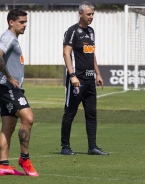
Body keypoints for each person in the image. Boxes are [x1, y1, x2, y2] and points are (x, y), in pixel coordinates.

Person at [0, 9, 39, 176]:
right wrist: (9, 77)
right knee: (29, 118)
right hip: (9, 88)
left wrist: (2, 75)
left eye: (26, 22)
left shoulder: (11, 38)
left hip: (4, 87)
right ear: (11, 22)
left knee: (8, 126)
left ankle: (4, 165)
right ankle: (24, 158)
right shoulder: (9, 37)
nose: (25, 25)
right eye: (21, 22)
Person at [61, 1, 109, 155]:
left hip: (89, 81)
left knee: (91, 113)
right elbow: (66, 53)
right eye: (89, 14)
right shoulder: (72, 31)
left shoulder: (91, 32)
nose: (91, 17)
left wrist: (98, 73)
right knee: (70, 113)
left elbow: (92, 54)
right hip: (77, 81)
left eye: (93, 14)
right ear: (80, 14)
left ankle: (92, 147)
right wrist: (72, 75)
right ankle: (65, 146)